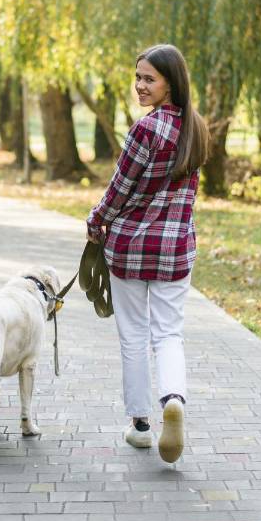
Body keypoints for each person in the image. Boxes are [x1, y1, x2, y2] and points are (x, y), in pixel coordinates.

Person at [86, 44, 210, 463]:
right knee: (169, 334)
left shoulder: (146, 129)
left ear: (170, 83)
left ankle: (141, 425)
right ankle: (173, 398)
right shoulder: (197, 128)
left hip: (132, 249)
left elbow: (120, 189)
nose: (140, 86)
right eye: (137, 77)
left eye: (148, 79)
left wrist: (96, 219)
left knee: (134, 336)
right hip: (175, 249)